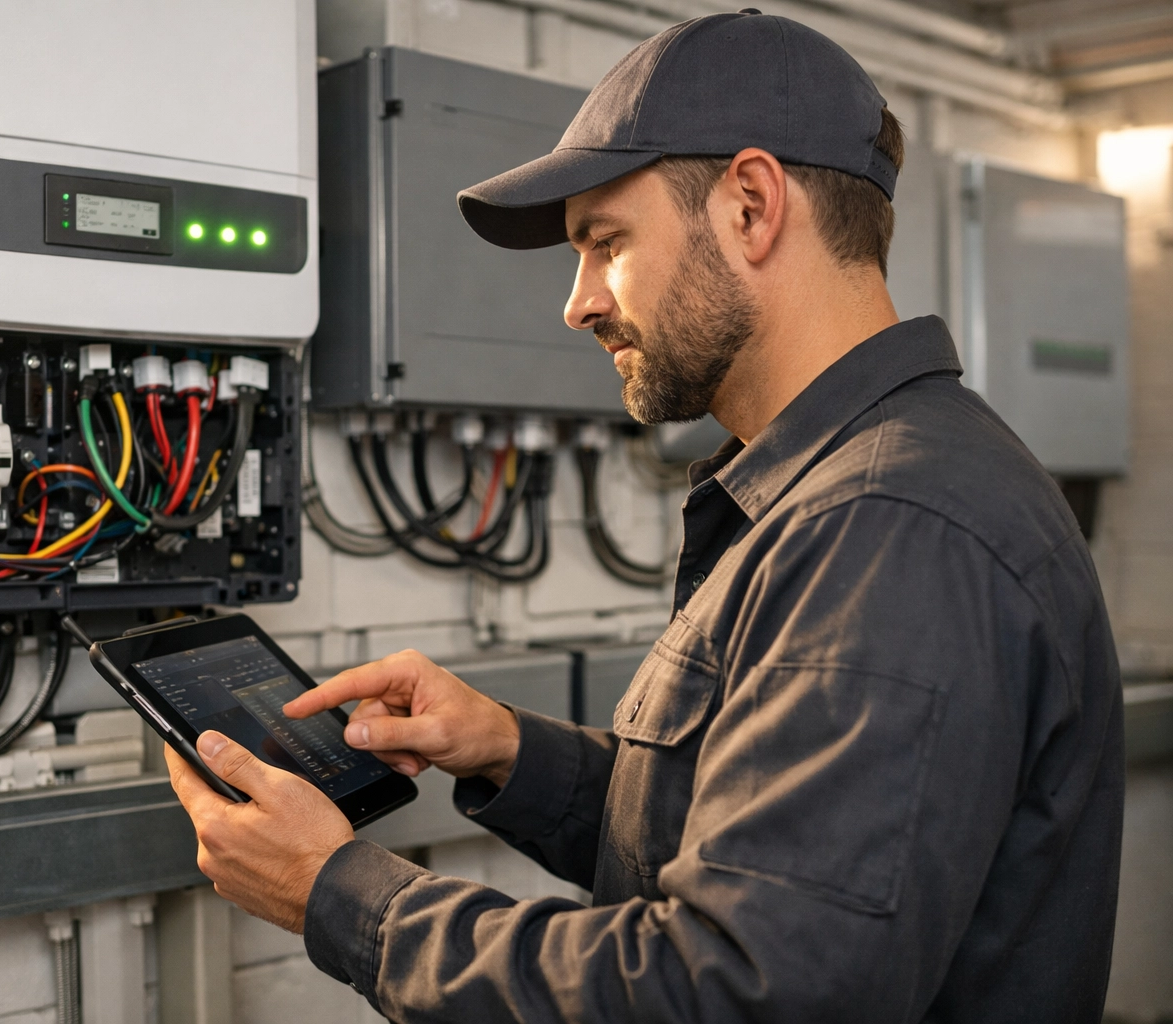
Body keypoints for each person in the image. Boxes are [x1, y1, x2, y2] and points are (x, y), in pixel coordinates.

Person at [166, 11, 1124, 1022]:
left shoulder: (891, 528)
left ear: (752, 205)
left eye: (606, 242)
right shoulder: (853, 493)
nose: (577, 304)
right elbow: (747, 849)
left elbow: (739, 991)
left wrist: (342, 895)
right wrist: (505, 747)